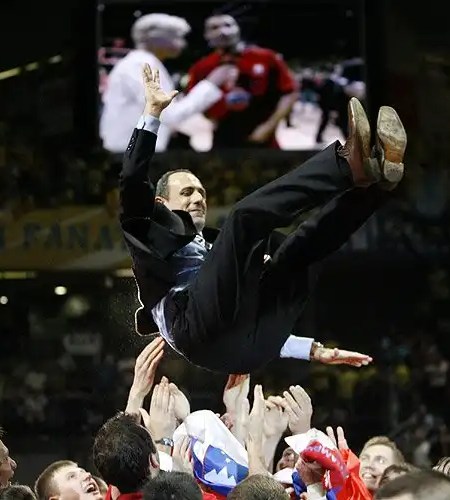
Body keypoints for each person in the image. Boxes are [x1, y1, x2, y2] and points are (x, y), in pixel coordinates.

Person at [121, 64, 406, 374]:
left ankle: (375, 185)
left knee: (299, 250)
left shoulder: (217, 249)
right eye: (187, 192)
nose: (199, 198)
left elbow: (237, 313)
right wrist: (152, 113)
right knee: (244, 218)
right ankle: (348, 164)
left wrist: (311, 350)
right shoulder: (148, 234)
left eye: (201, 192)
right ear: (161, 203)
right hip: (196, 332)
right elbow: (132, 180)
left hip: (251, 347)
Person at [100, 13, 238, 153]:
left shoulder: (144, 63)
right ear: (157, 39)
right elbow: (169, 115)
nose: (183, 43)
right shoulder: (139, 65)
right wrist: (211, 83)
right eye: (177, 36)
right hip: (126, 152)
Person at [187, 14, 299, 149]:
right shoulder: (201, 67)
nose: (223, 31)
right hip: (223, 141)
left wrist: (269, 126)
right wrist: (211, 118)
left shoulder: (267, 58)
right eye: (214, 28)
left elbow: (290, 92)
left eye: (228, 25)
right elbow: (194, 101)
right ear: (206, 35)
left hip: (264, 139)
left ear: (238, 29)